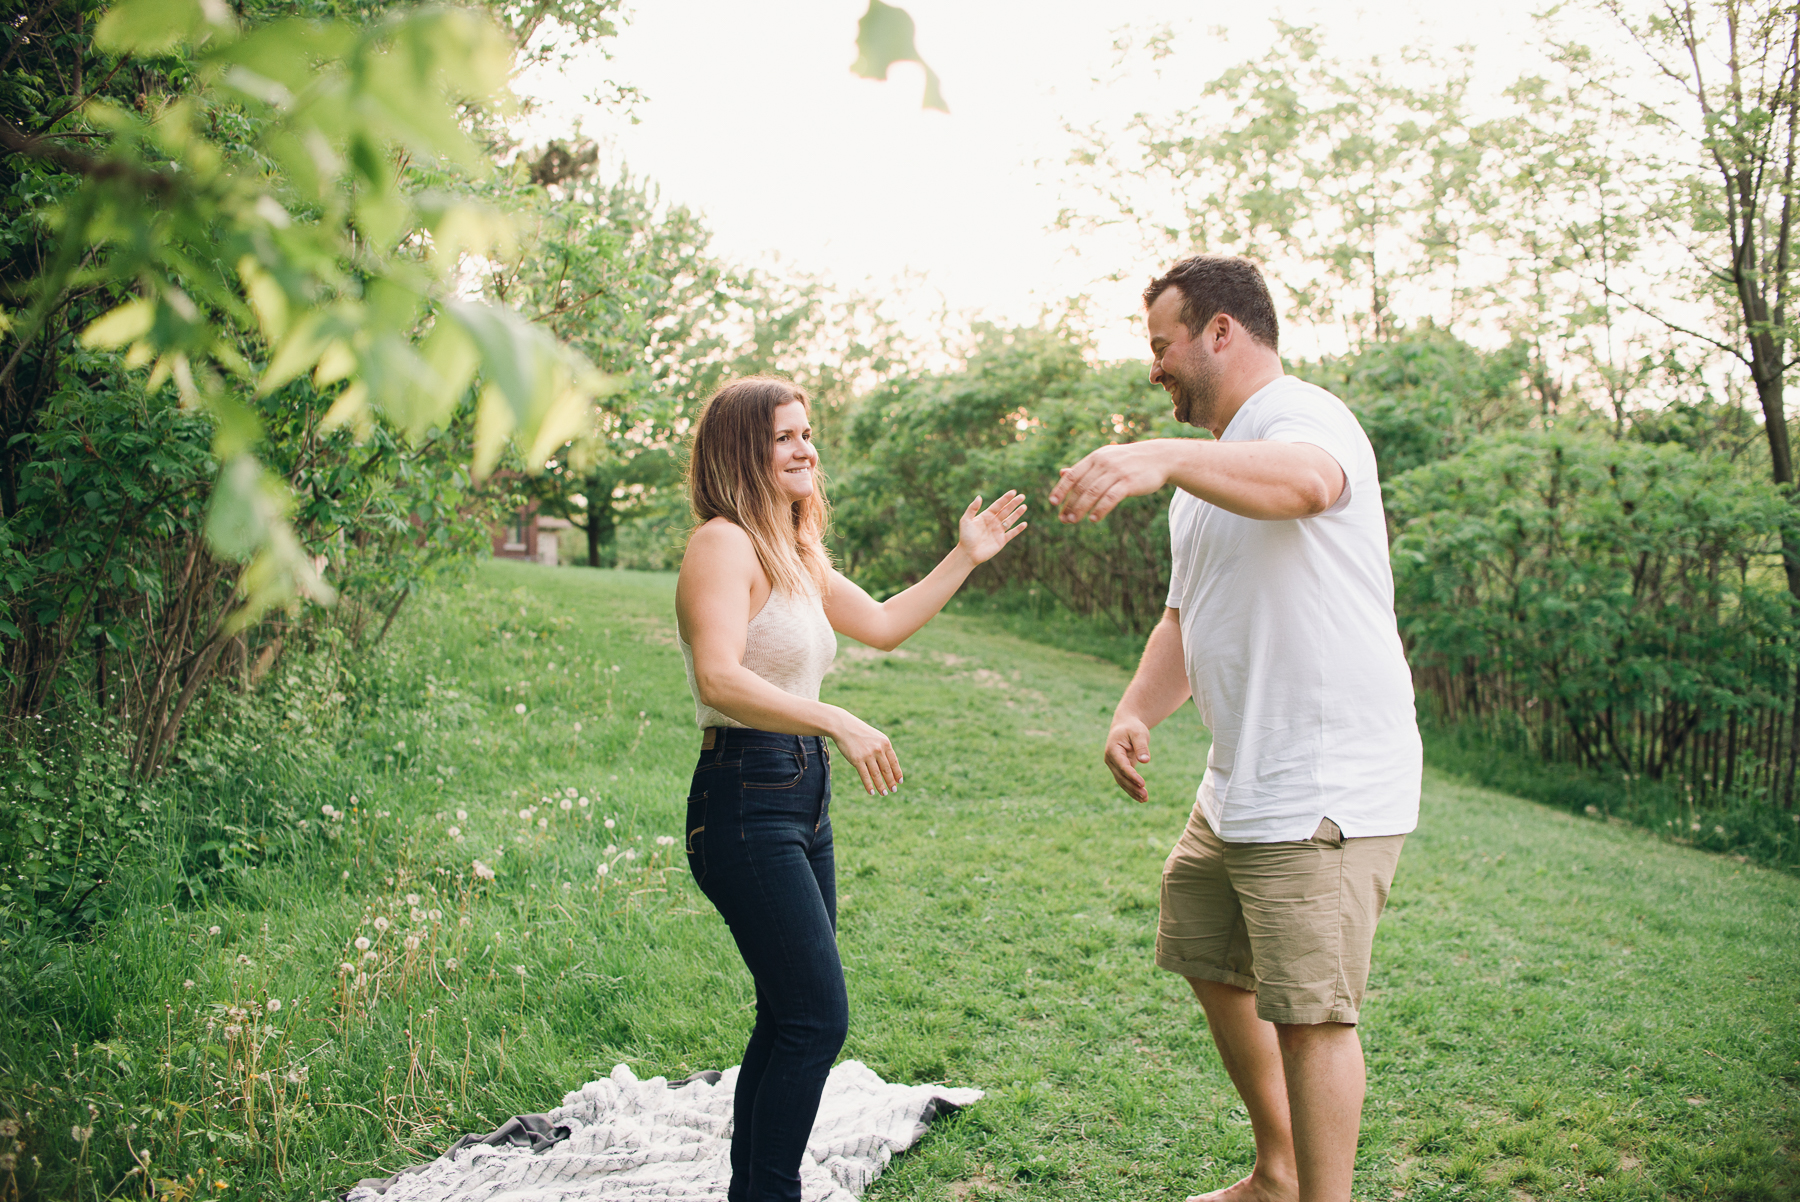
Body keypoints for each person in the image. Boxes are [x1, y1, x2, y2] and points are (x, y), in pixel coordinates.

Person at [1048, 255, 1421, 1202]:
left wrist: (1163, 455)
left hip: (1325, 779)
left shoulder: (1305, 417)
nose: (1153, 367)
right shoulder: (1206, 480)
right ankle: (1278, 1170)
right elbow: (1187, 615)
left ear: (1221, 331)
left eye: (1162, 345)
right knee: (1204, 941)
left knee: (1311, 1014)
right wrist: (1136, 709)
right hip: (1241, 779)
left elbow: (1306, 483)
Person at [675, 375, 1027, 1202]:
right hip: (745, 795)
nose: (807, 449)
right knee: (815, 1017)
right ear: (741, 452)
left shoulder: (793, 553)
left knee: (791, 1012)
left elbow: (887, 624)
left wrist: (964, 555)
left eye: (807, 433)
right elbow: (720, 677)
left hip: (798, 796)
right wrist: (835, 718)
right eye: (785, 437)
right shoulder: (722, 545)